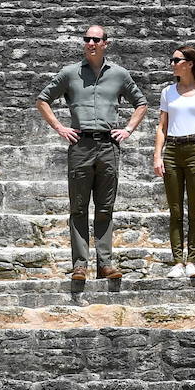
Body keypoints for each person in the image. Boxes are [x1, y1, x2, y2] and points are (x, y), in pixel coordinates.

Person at [35, 23, 148, 282]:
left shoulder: (119, 74)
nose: (91, 43)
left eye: (97, 39)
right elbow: (42, 100)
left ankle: (106, 264)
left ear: (106, 43)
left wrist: (128, 129)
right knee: (78, 207)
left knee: (105, 207)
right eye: (87, 39)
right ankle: (79, 265)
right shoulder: (69, 73)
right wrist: (60, 127)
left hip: (108, 145)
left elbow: (141, 103)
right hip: (80, 145)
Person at [153, 45, 195, 280]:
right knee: (175, 210)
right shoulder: (168, 91)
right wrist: (157, 156)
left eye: (176, 60)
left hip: (194, 150)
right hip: (172, 150)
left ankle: (192, 260)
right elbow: (161, 126)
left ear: (189, 64)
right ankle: (177, 261)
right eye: (171, 59)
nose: (172, 63)